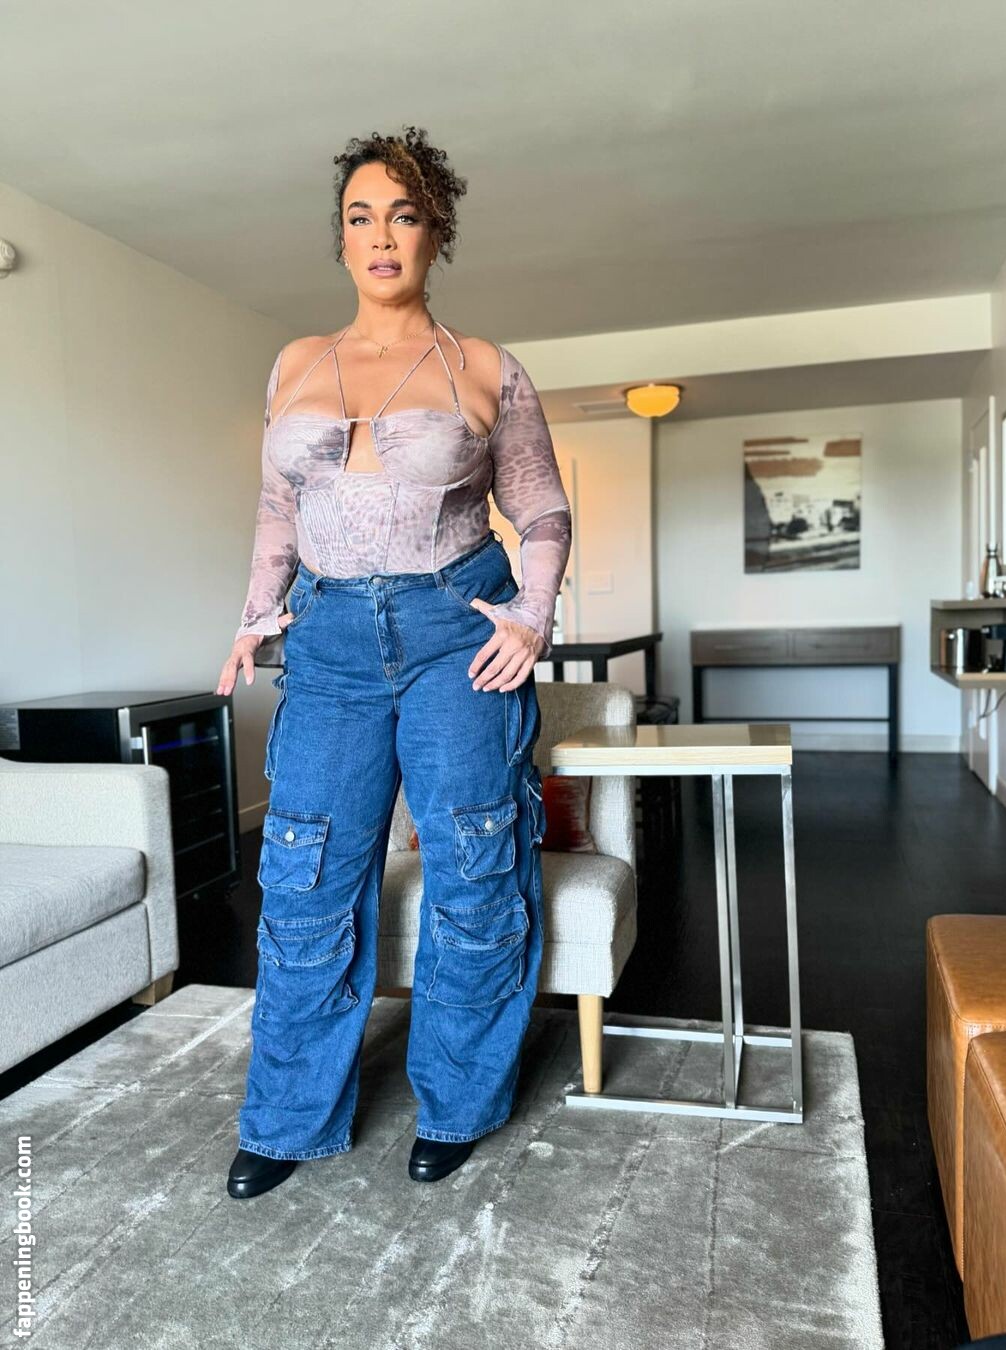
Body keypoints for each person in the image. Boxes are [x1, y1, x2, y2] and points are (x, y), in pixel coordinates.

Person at [216, 127, 572, 1198]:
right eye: (361, 217)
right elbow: (277, 509)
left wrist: (532, 618)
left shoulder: (486, 367)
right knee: (306, 871)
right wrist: (254, 615)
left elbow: (542, 510)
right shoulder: (295, 363)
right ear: (340, 239)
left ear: (435, 231)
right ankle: (289, 1118)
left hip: (455, 632)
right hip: (326, 641)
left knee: (474, 862)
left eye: (404, 215)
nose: (381, 236)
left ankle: (458, 1103)